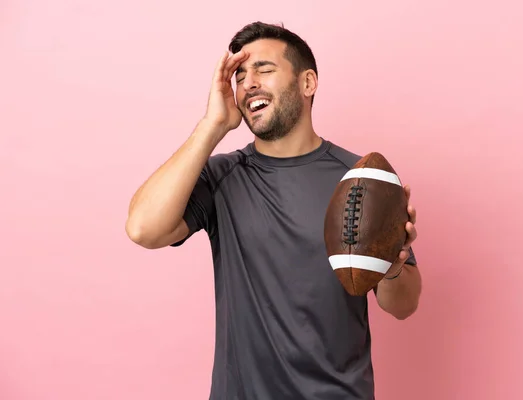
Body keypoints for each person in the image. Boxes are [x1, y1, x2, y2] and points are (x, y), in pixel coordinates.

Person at [126, 21, 421, 400]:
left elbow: (404, 306)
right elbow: (142, 229)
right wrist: (212, 125)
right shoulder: (222, 176)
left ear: (308, 83)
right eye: (240, 75)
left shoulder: (362, 180)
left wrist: (393, 266)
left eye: (264, 69)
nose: (248, 83)